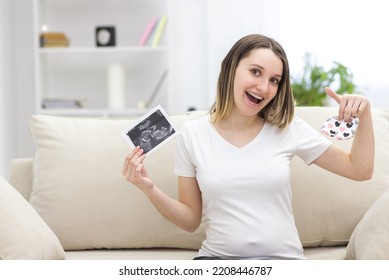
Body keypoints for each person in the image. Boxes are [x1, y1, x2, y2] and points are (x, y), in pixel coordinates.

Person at [122, 34, 374, 260]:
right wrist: (149, 188)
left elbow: (360, 170)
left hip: (282, 261)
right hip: (217, 262)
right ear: (231, 69)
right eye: (255, 72)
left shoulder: (288, 128)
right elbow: (190, 221)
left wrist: (365, 114)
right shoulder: (193, 134)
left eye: (274, 80)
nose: (264, 88)